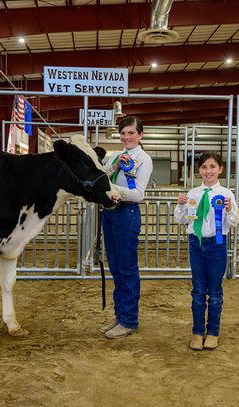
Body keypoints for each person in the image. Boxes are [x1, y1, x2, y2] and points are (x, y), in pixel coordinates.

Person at [174, 152, 239, 350]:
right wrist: (180, 206)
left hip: (217, 244)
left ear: (220, 169)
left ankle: (213, 332)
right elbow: (182, 220)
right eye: (204, 167)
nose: (208, 171)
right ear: (198, 170)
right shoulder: (193, 193)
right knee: (198, 290)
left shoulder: (227, 194)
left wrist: (228, 210)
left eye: (212, 167)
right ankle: (197, 332)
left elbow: (234, 221)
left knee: (216, 291)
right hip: (196, 244)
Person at [100, 116, 153, 339]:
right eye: (123, 133)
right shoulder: (115, 156)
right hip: (111, 213)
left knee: (127, 267)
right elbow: (102, 175)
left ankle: (129, 319)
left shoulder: (144, 159)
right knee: (115, 266)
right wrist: (114, 165)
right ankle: (120, 315)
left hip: (127, 212)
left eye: (131, 133)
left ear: (140, 135)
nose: (126, 137)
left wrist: (115, 192)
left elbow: (139, 194)